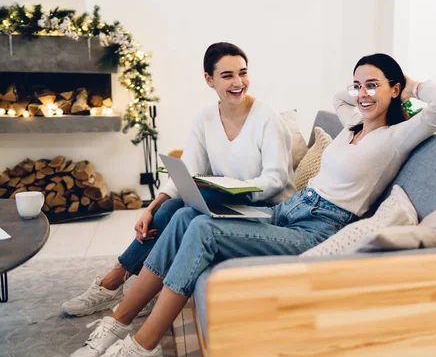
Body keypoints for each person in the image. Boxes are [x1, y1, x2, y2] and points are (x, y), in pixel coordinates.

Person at [69, 53, 436, 357]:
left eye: (373, 86)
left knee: (205, 230)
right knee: (188, 215)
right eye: (358, 85)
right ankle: (118, 322)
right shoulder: (354, 125)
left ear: (396, 89)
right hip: (290, 211)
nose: (361, 94)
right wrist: (370, 89)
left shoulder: (397, 136)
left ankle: (143, 346)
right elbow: (340, 99)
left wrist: (408, 84)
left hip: (319, 229)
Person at [61, 42, 295, 326]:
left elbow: (276, 179)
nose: (238, 82)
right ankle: (120, 281)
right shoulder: (205, 118)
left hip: (266, 209)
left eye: (242, 73)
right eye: (227, 75)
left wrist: (232, 190)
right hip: (226, 202)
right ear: (209, 80)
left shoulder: (266, 118)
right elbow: (188, 172)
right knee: (172, 206)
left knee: (183, 210)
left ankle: (116, 281)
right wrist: (151, 207)